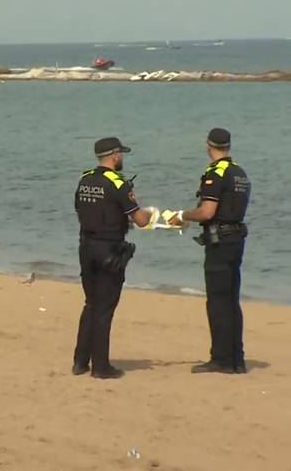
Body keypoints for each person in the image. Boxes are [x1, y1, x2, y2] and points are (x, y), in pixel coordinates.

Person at [168, 128, 250, 374]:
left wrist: (183, 215)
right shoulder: (239, 172)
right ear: (228, 146)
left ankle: (222, 359)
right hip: (236, 239)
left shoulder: (215, 173)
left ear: (208, 146)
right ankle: (237, 358)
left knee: (217, 301)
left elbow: (207, 212)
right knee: (232, 299)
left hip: (219, 241)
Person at [73, 137, 152, 379]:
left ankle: (80, 362)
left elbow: (81, 210)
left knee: (91, 303)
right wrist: (151, 213)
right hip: (109, 249)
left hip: (86, 246)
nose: (122, 158)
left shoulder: (85, 179)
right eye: (121, 154)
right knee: (105, 308)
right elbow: (140, 220)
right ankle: (101, 367)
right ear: (115, 155)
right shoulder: (119, 184)